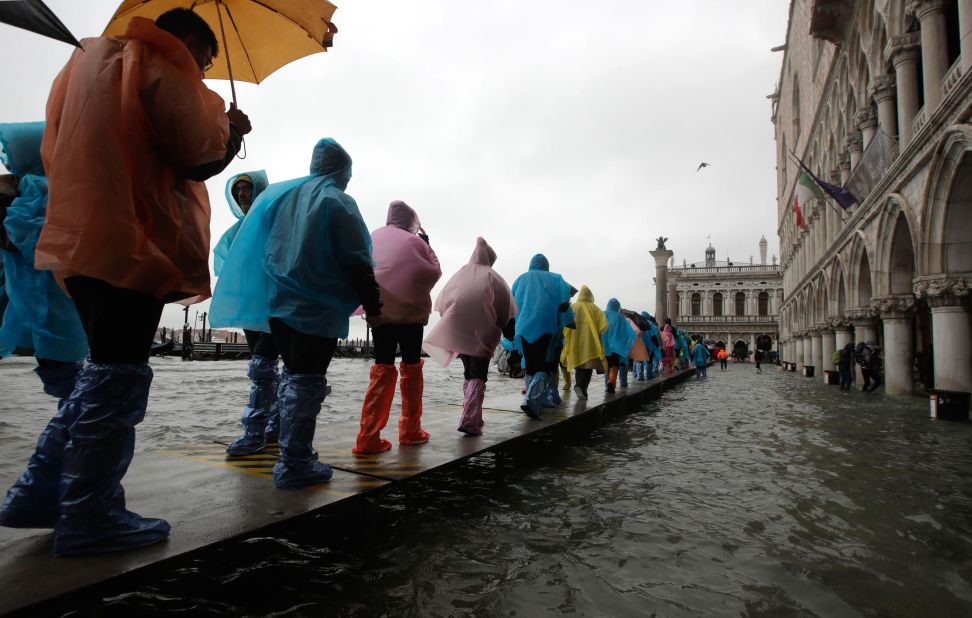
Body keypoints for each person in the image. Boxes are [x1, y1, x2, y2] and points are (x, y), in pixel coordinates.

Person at [0, 9, 250, 556]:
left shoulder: (83, 61)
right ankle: (90, 513)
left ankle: (43, 492)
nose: (203, 72)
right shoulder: (161, 65)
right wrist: (231, 131)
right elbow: (198, 153)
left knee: (101, 373)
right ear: (186, 41)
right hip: (134, 238)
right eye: (205, 60)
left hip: (79, 238)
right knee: (118, 380)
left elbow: (52, 146)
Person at [211, 137, 381, 487]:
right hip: (315, 309)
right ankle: (295, 463)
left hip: (277, 307)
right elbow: (357, 258)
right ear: (342, 170)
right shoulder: (338, 201)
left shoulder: (281, 197)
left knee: (291, 380)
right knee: (306, 384)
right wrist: (373, 305)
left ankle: (277, 446)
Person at [0, 122, 88, 394]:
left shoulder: (24, 195)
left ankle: (67, 428)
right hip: (64, 299)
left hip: (35, 300)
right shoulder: (65, 194)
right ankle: (68, 429)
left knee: (66, 376)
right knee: (71, 374)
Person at [353, 200, 441, 454]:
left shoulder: (373, 236)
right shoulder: (414, 242)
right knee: (412, 370)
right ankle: (410, 431)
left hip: (379, 313)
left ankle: (367, 437)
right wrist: (427, 246)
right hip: (411, 317)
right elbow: (433, 272)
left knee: (382, 368)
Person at [212, 171, 283, 456]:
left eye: (247, 188)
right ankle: (275, 425)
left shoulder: (274, 223)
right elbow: (226, 268)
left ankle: (254, 433)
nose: (242, 194)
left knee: (262, 366)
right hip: (251, 312)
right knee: (263, 367)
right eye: (238, 190)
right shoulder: (235, 231)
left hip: (277, 308)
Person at [423, 237, 516, 435]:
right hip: (484, 330)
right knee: (479, 373)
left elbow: (445, 301)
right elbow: (505, 311)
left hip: (459, 329)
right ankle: (470, 420)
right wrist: (509, 334)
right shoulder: (494, 277)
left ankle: (474, 414)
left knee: (469, 372)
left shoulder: (460, 274)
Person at [511, 254, 574, 418]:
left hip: (523, 328)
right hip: (546, 327)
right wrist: (569, 321)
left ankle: (533, 402)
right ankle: (531, 401)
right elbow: (565, 304)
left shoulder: (520, 280)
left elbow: (511, 305)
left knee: (531, 367)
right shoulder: (556, 279)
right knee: (545, 367)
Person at [564, 286, 608, 400]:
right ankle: (582, 387)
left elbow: (565, 324)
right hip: (590, 345)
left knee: (578, 367)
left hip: (575, 344)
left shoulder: (573, 307)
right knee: (587, 369)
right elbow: (604, 327)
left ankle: (580, 387)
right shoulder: (595, 309)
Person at [600, 298, 637, 393]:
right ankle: (611, 382)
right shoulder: (620, 317)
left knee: (606, 367)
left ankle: (607, 386)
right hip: (616, 348)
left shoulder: (602, 315)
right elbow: (627, 333)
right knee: (614, 367)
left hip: (604, 347)